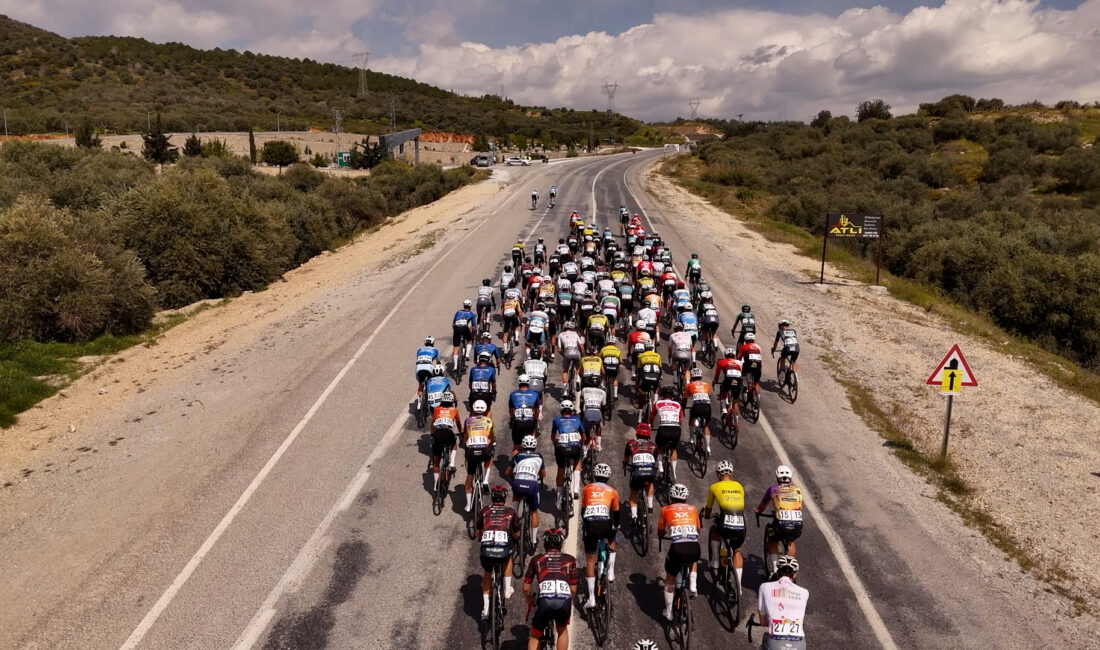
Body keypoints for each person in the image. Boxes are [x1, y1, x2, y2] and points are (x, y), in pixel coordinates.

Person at [524, 528, 577, 650]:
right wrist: (570, 600)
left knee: (535, 636)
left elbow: (526, 588)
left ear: (545, 544)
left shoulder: (536, 560)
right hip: (563, 601)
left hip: (545, 602)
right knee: (562, 630)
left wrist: (530, 600)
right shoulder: (570, 560)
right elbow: (573, 589)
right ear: (561, 544)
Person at [657, 483, 701, 620]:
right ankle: (693, 586)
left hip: (677, 548)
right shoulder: (693, 509)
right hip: (693, 547)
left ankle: (669, 612)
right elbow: (698, 529)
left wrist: (662, 535)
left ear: (671, 498)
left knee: (669, 579)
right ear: (686, 499)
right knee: (693, 559)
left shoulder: (665, 509)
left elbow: (660, 529)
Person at [477, 485, 521, 619]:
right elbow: (517, 534)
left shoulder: (484, 511)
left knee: (487, 573)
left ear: (492, 497)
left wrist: (481, 537)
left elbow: (478, 532)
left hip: (487, 550)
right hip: (503, 550)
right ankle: (507, 589)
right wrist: (514, 538)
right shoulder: (510, 512)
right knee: (508, 557)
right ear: (504, 498)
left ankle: (485, 608)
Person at [580, 463, 619, 608]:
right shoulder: (613, 491)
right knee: (612, 538)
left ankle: (591, 599)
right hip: (605, 524)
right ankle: (611, 571)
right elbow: (616, 514)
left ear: (595, 476)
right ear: (608, 477)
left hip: (591, 525)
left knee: (590, 560)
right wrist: (616, 526)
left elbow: (583, 512)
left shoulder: (587, 488)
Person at [702, 460, 745, 592]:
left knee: (715, 527)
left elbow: (708, 508)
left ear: (718, 475)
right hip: (741, 524)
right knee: (737, 551)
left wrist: (707, 515)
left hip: (724, 524)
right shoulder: (739, 486)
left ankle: (715, 561)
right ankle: (738, 586)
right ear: (731, 474)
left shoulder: (714, 487)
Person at [754, 465, 804, 577]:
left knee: (772, 541)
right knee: (791, 541)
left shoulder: (772, 490)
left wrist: (758, 511)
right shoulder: (798, 490)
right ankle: (790, 567)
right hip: (797, 525)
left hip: (781, 525)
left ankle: (776, 570)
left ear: (777, 478)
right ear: (790, 478)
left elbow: (762, 506)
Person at [757, 556, 808, 649]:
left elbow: (763, 622)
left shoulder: (764, 587)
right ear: (794, 575)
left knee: (765, 640)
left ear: (777, 572)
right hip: (799, 644)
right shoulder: (805, 593)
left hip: (775, 643)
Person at [509, 435, 546, 547]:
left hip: (518, 483)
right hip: (532, 485)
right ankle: (533, 540)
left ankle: (515, 518)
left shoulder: (517, 455)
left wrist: (514, 475)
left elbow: (507, 472)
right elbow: (543, 474)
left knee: (516, 496)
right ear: (535, 446)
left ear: (522, 446)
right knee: (534, 512)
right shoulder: (539, 456)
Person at [463, 400, 496, 511]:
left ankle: (468, 505)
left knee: (469, 478)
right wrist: (492, 442)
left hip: (471, 452)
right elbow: (492, 437)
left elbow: (465, 436)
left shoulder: (467, 421)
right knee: (490, 456)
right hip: (484, 451)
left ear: (473, 409)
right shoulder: (489, 421)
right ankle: (485, 480)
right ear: (485, 409)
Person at [551, 400, 584, 509]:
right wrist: (580, 443)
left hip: (562, 449)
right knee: (577, 461)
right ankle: (576, 489)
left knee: (560, 469)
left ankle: (559, 498)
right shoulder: (577, 419)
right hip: (575, 448)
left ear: (561, 410)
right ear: (572, 411)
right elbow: (583, 436)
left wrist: (556, 443)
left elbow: (553, 437)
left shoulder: (556, 420)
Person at [622, 423, 657, 525]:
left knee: (634, 492)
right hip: (649, 470)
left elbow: (626, 458)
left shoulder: (630, 443)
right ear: (649, 435)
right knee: (650, 483)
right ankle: (650, 505)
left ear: (637, 434)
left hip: (637, 472)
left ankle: (634, 516)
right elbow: (654, 460)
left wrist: (625, 464)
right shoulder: (653, 445)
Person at [430, 391, 463, 492]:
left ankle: (435, 485)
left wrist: (432, 434)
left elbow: (432, 424)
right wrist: (461, 432)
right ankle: (452, 463)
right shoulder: (454, 410)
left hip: (438, 434)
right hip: (448, 433)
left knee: (436, 463)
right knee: (454, 443)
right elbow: (458, 423)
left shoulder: (436, 409)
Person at [650, 385, 683, 481]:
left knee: (659, 447)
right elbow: (680, 421)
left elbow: (652, 416)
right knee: (673, 449)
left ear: (662, 396)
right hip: (676, 429)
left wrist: (651, 425)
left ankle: (660, 467)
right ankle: (674, 472)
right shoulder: (677, 404)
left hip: (664, 428)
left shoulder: (658, 403)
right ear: (672, 397)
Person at [508, 376, 542, 456]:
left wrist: (512, 420)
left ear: (519, 382)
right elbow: (537, 411)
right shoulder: (535, 394)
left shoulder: (513, 394)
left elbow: (511, 411)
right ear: (529, 383)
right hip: (529, 422)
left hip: (518, 423)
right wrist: (536, 420)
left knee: (516, 447)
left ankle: (514, 462)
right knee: (531, 445)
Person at [683, 368, 712, 454]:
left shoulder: (689, 385)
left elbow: (685, 399)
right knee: (706, 425)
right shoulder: (707, 385)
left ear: (692, 377)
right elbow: (708, 396)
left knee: (692, 418)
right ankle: (708, 447)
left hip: (697, 406)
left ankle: (691, 438)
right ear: (701, 376)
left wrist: (683, 407)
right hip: (707, 407)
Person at [579, 373, 607, 451]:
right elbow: (604, 406)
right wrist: (603, 417)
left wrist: (582, 415)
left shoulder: (584, 390)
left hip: (587, 412)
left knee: (585, 428)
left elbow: (582, 402)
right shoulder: (603, 392)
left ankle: (585, 447)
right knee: (598, 426)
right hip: (597, 412)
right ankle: (598, 445)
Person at [714, 347, 743, 420]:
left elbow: (717, 373)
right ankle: (736, 420)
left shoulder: (721, 361)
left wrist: (715, 381)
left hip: (728, 380)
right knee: (735, 401)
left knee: (723, 394)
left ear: (725, 355)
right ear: (734, 356)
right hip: (738, 380)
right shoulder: (739, 362)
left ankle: (724, 410)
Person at [414, 336, 441, 402]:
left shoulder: (419, 349)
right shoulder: (435, 350)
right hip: (429, 368)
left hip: (419, 368)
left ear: (425, 342)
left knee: (421, 385)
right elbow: (438, 363)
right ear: (433, 343)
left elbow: (418, 359)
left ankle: (419, 404)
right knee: (431, 383)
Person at [558, 320, 583, 391]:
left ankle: (565, 389)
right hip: (576, 351)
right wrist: (582, 354)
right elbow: (581, 346)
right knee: (578, 367)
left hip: (567, 352)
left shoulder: (561, 334)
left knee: (565, 370)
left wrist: (564, 355)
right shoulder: (575, 334)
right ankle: (578, 379)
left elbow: (559, 349)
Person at [737, 332, 764, 400]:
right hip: (758, 366)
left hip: (748, 366)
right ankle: (758, 398)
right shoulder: (758, 347)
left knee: (744, 377)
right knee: (756, 383)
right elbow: (760, 358)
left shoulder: (744, 347)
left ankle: (745, 387)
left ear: (745, 340)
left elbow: (739, 358)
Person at [452, 299, 477, 370]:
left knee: (456, 347)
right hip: (464, 328)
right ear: (470, 306)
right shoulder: (471, 314)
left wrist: (456, 331)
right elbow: (473, 327)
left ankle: (455, 366)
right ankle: (467, 355)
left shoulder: (458, 312)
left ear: (463, 306)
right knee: (470, 340)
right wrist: (473, 334)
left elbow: (453, 324)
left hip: (456, 328)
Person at [668, 322, 694, 387]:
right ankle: (688, 382)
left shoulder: (672, 335)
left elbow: (670, 348)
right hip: (687, 353)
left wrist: (669, 355)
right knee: (687, 369)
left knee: (674, 361)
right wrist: (691, 357)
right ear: (682, 329)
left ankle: (675, 378)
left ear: (674, 329)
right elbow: (691, 347)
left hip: (678, 353)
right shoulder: (688, 334)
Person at [599, 335, 623, 401]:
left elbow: (599, 359)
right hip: (614, 367)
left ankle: (603, 386)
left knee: (603, 376)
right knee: (614, 379)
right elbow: (620, 361)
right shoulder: (618, 350)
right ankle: (615, 395)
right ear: (615, 343)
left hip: (606, 366)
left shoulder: (603, 349)